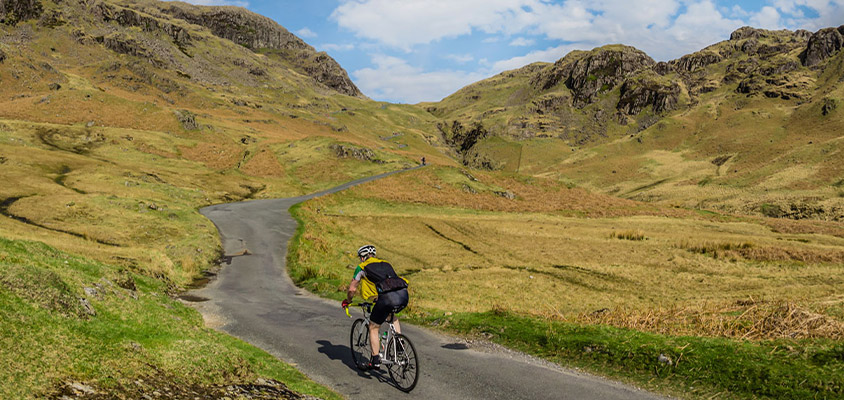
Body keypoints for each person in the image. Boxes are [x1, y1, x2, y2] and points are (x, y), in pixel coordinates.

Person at [342, 244, 409, 370]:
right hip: (403, 295)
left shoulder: (361, 267)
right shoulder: (386, 263)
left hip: (386, 298)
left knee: (373, 326)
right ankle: (399, 343)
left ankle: (375, 359)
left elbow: (352, 288)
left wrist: (348, 300)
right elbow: (389, 282)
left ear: (362, 257)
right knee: (392, 317)